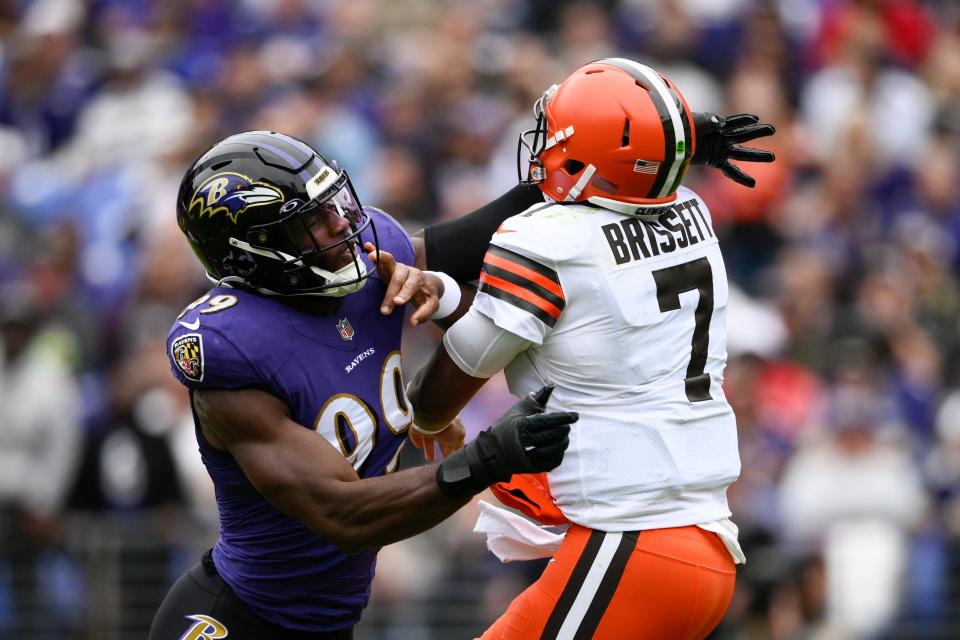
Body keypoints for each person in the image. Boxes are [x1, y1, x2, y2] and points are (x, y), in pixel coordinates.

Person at [147, 131, 578, 639]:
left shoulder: (369, 260)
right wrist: (490, 458)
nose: (342, 226)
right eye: (312, 222)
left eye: (334, 205)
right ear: (255, 252)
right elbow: (344, 515)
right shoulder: (234, 353)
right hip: (238, 621)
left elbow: (481, 235)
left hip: (330, 624)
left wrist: (582, 165)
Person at [408, 58, 771, 639]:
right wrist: (453, 294)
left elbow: (457, 374)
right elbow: (572, 322)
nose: (545, 144)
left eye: (557, 133)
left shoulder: (547, 240)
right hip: (698, 540)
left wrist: (425, 414)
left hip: (636, 542)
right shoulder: (693, 212)